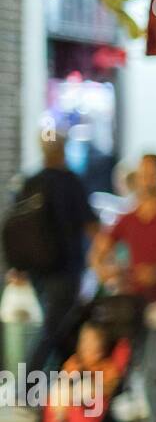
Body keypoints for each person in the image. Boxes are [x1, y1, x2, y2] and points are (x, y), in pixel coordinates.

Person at [90, 153, 156, 422]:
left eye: (152, 172)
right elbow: (100, 249)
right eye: (142, 172)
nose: (147, 178)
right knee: (132, 368)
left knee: (155, 368)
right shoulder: (129, 217)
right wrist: (106, 271)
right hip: (135, 306)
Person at [15, 132, 98, 373]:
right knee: (53, 329)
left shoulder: (31, 182)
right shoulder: (71, 182)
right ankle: (27, 389)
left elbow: (17, 228)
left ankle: (68, 382)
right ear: (62, 149)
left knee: (60, 326)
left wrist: (19, 267)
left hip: (37, 271)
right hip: (65, 268)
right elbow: (90, 224)